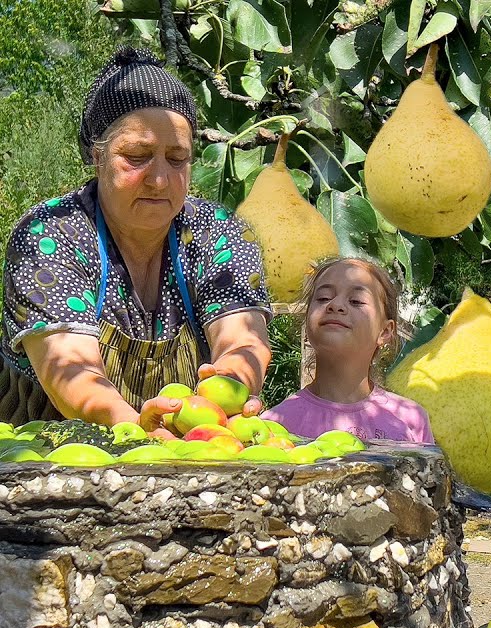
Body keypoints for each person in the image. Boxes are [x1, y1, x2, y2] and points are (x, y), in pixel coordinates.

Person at [0, 47, 271, 433]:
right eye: (137, 156)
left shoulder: (218, 232)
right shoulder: (50, 233)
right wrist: (136, 430)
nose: (160, 180)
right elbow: (73, 375)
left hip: (182, 454)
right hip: (48, 456)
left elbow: (241, 339)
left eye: (177, 159)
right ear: (96, 157)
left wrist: (232, 381)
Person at [262, 257, 431, 443]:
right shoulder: (275, 424)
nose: (335, 305)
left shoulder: (412, 419)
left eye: (356, 301)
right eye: (323, 298)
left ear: (385, 332)